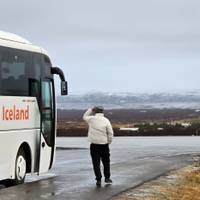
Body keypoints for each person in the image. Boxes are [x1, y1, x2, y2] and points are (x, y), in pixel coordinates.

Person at [83, 106, 114, 187]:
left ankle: (98, 179)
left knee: (96, 163)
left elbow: (84, 116)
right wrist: (109, 142)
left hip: (94, 145)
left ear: (95, 111)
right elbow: (110, 133)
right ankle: (107, 178)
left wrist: (90, 109)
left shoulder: (91, 119)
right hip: (104, 144)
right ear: (102, 112)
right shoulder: (106, 120)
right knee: (106, 162)